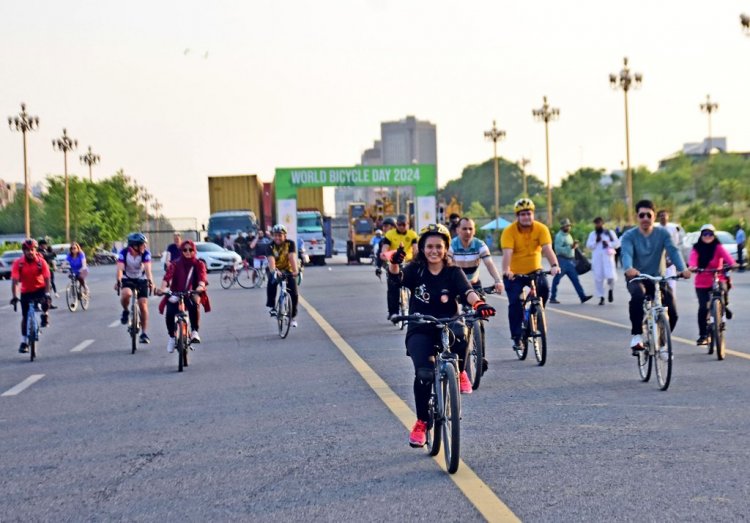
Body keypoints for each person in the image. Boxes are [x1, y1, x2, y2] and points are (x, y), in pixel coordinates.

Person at [387, 223, 496, 447]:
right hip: (420, 327)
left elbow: (468, 292)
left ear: (446, 248)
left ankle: (462, 370)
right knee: (424, 374)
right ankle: (421, 423)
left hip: (448, 324)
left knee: (463, 330)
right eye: (429, 246)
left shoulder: (453, 272)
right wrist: (395, 264)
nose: (434, 251)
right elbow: (397, 281)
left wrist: (479, 304)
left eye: (439, 246)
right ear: (422, 248)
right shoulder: (415, 270)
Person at [620, 200, 691, 354]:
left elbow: (673, 251)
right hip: (637, 277)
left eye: (648, 215)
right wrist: (629, 268)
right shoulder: (629, 235)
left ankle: (663, 343)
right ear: (637, 217)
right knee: (638, 295)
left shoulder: (663, 234)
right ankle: (637, 335)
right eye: (641, 215)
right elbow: (626, 253)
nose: (645, 218)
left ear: (654, 217)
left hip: (657, 278)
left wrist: (682, 269)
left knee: (673, 312)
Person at [501, 198, 561, 351]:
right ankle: (517, 337)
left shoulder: (541, 229)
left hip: (535, 270)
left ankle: (535, 313)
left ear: (533, 214)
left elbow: (547, 249)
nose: (526, 217)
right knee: (515, 303)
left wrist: (554, 265)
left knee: (545, 288)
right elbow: (507, 253)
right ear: (517, 216)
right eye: (522, 214)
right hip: (514, 274)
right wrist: (506, 270)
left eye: (528, 213)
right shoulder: (509, 231)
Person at [688, 224, 737, 346]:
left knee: (723, 289)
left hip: (717, 277)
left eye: (710, 234)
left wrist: (733, 264)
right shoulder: (696, 248)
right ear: (701, 235)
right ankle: (703, 335)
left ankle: (723, 307)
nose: (708, 236)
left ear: (714, 235)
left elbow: (728, 257)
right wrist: (692, 267)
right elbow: (692, 260)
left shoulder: (718, 247)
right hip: (701, 282)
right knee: (703, 308)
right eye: (705, 234)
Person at [157, 239, 210, 353]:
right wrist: (162, 289)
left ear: (194, 251)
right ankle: (172, 337)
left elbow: (202, 277)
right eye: (184, 250)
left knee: (194, 304)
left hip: (191, 292)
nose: (188, 252)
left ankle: (195, 331)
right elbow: (167, 277)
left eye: (190, 250)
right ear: (181, 251)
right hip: (176, 292)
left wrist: (200, 286)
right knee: (170, 313)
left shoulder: (199, 264)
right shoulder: (175, 264)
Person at [10, 239, 52, 353]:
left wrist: (47, 294)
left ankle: (45, 314)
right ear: (23, 251)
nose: (30, 252)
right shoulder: (18, 263)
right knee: (24, 317)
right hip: (26, 291)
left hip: (40, 288)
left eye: (32, 249)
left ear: (35, 250)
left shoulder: (41, 262)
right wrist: (14, 296)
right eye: (27, 250)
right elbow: (15, 281)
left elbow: (47, 278)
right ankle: (24, 342)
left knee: (46, 301)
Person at [115, 232, 154, 344]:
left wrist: (150, 281)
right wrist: (118, 280)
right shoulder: (124, 253)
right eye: (142, 244)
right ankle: (126, 311)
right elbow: (120, 269)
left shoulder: (145, 253)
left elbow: (147, 269)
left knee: (143, 304)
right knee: (126, 294)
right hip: (128, 278)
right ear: (134, 246)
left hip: (141, 278)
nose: (145, 246)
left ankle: (144, 333)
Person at [381, 214, 419, 322]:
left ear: (408, 224)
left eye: (403, 224)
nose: (401, 227)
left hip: (408, 262)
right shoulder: (390, 234)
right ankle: (393, 312)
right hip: (394, 262)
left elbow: (415, 250)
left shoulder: (412, 235)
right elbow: (385, 248)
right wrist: (384, 255)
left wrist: (416, 260)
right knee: (393, 286)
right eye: (399, 224)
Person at [550, 218, 592, 304]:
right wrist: (570, 247)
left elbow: (571, 247)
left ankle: (582, 296)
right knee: (557, 279)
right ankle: (552, 297)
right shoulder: (559, 236)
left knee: (575, 279)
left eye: (569, 226)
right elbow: (558, 249)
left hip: (570, 261)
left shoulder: (568, 235)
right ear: (563, 227)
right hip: (562, 260)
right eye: (567, 226)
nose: (569, 227)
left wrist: (574, 247)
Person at [265, 224, 300, 328]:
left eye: (280, 235)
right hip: (275, 269)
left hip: (288, 270)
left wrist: (295, 271)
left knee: (294, 294)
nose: (278, 238)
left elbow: (291, 257)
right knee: (272, 281)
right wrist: (275, 270)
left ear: (285, 236)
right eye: (275, 235)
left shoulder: (290, 244)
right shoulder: (270, 246)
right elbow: (271, 261)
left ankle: (292, 317)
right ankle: (272, 307)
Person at [585, 217, 620, 305]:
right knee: (598, 279)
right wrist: (596, 242)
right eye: (596, 223)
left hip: (608, 258)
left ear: (603, 223)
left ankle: (611, 290)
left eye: (599, 223)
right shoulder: (592, 234)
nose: (598, 225)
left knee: (611, 277)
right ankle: (601, 297)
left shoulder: (609, 233)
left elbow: (617, 244)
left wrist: (608, 244)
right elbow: (589, 246)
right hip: (597, 260)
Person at [655, 210, 682, 292]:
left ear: (668, 217)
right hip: (658, 259)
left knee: (671, 285)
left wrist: (671, 260)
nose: (663, 217)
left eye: (664, 215)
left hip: (670, 260)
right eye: (661, 215)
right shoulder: (655, 228)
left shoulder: (672, 229)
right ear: (658, 217)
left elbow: (675, 245)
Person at [38, 238, 59, 307]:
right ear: (41, 245)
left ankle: (48, 303)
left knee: (49, 287)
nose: (46, 245)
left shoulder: (46, 250)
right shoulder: (39, 251)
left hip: (49, 269)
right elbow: (47, 256)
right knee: (45, 287)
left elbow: (50, 256)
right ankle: (41, 303)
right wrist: (55, 253)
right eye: (45, 244)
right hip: (43, 271)